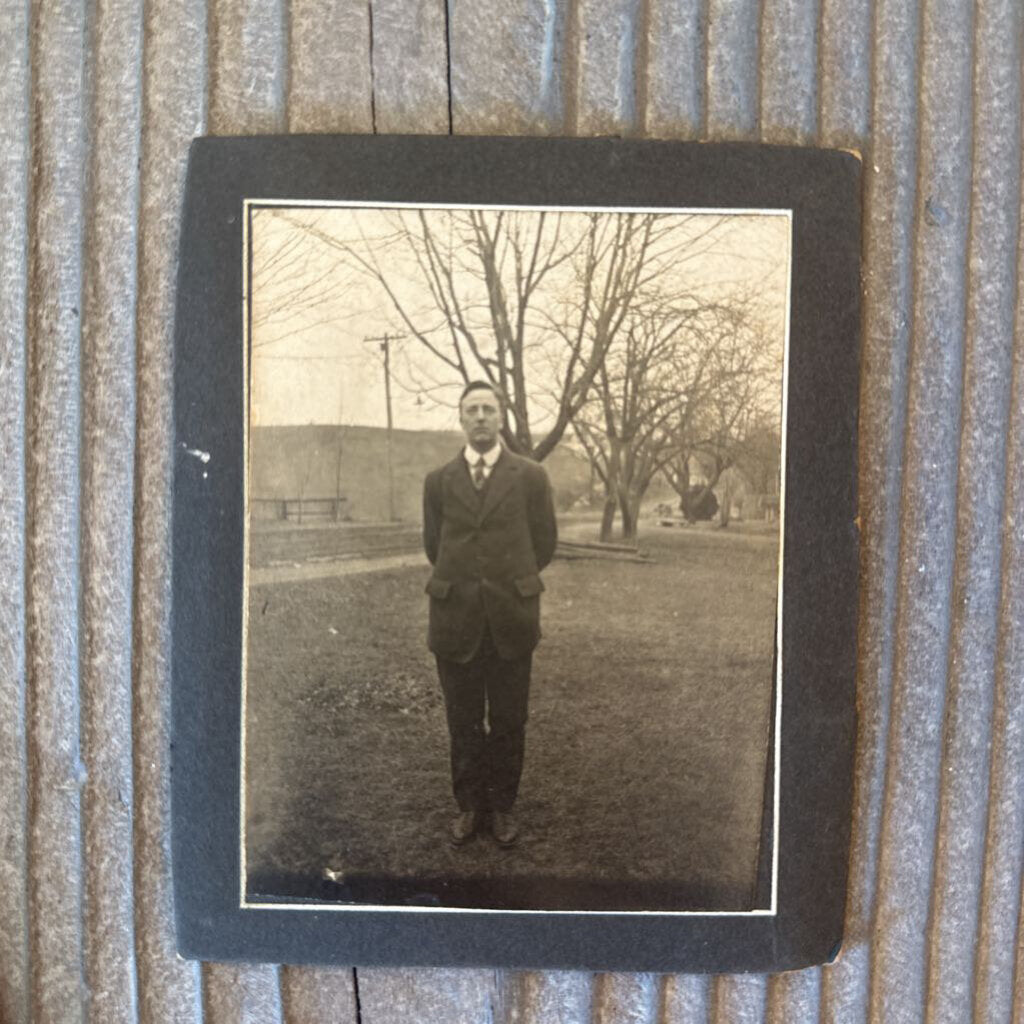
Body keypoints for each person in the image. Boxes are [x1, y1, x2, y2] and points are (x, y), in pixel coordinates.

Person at [422, 381, 558, 848]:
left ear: (501, 418)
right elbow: (433, 545)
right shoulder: (439, 481)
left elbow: (544, 544)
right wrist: (468, 584)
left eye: (488, 409)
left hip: (511, 619)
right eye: (471, 410)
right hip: (454, 619)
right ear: (461, 419)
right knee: (462, 721)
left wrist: (507, 583)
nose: (480, 417)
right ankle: (469, 809)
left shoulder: (531, 477)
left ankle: (501, 809)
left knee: (508, 719)